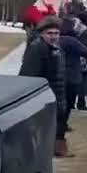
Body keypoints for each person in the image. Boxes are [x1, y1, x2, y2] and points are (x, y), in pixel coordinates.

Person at [20, 16, 70, 157]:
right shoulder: (37, 49)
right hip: (41, 102)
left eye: (56, 33)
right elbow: (29, 77)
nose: (53, 37)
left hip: (54, 98)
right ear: (42, 33)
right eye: (50, 33)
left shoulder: (56, 49)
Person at [58, 18, 87, 141]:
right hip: (71, 76)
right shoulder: (71, 41)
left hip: (58, 76)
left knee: (60, 105)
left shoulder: (57, 39)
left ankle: (59, 129)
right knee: (67, 106)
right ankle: (60, 135)